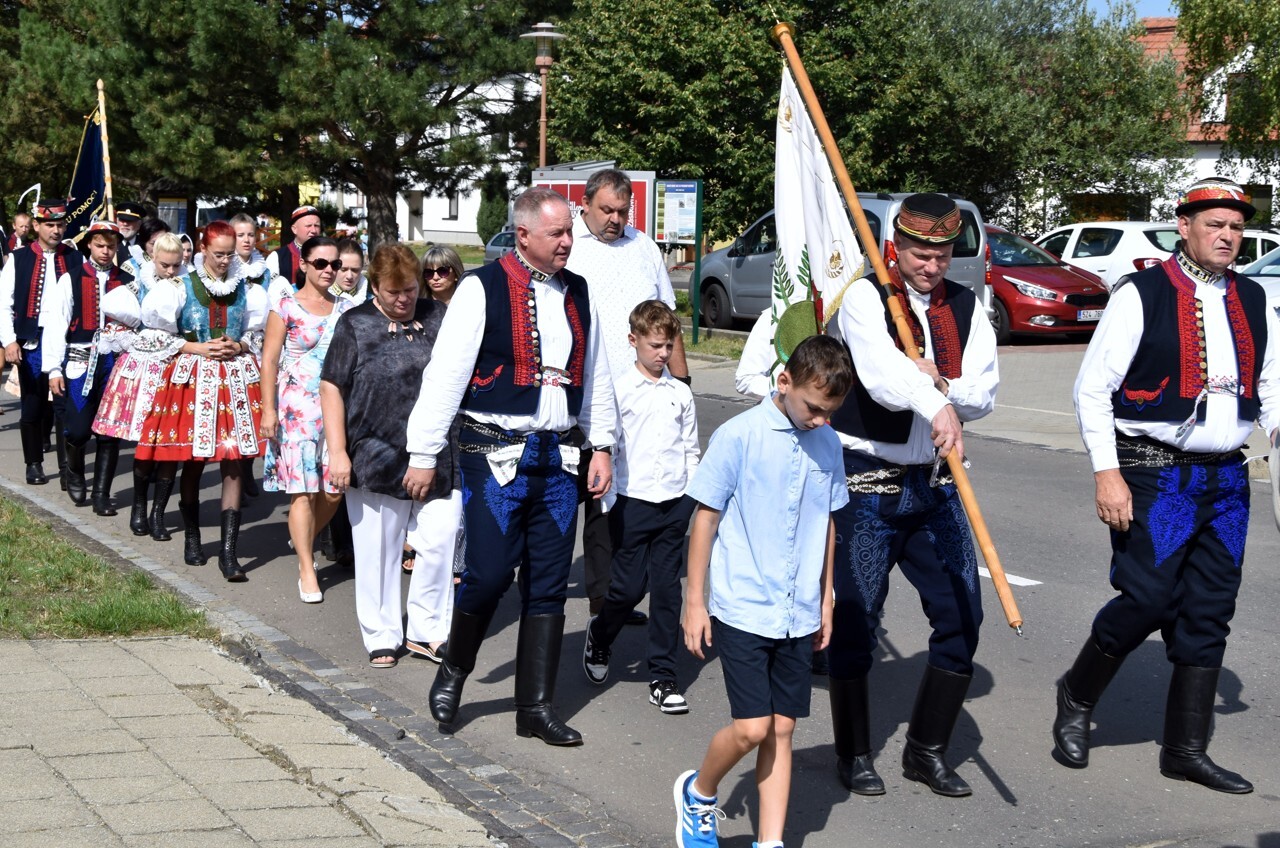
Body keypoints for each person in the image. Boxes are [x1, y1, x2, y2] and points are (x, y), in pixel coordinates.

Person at [1054, 178, 1280, 794]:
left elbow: (1270, 385)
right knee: (1149, 599)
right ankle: (1077, 694)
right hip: (1155, 470)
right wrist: (1107, 473)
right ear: (1184, 227)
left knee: (1210, 608)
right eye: (1215, 225)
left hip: (1227, 477)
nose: (1227, 237)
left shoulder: (1255, 298)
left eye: (1236, 227)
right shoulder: (1142, 293)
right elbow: (1092, 391)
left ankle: (1185, 750)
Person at [404, 186, 616, 746]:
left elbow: (595, 373)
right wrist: (423, 453)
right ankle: (455, 668)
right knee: (490, 573)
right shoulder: (481, 287)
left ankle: (535, 708)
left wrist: (602, 444)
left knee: (548, 584)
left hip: (559, 458)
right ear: (523, 235)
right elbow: (446, 375)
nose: (568, 241)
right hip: (493, 453)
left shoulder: (579, 290)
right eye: (557, 233)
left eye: (569, 232)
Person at [825, 192, 999, 798]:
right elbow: (881, 377)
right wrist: (929, 393)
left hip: (937, 482)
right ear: (895, 247)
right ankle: (853, 752)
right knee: (856, 619)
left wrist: (942, 386)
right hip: (867, 481)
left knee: (964, 614)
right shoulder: (865, 298)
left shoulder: (968, 305)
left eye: (943, 253)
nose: (932, 264)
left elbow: (983, 391)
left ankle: (926, 751)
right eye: (921, 253)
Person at [674, 334, 850, 848]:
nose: (821, 420)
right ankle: (698, 792)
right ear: (785, 381)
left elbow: (827, 522)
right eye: (814, 408)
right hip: (744, 605)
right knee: (752, 728)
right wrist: (694, 601)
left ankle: (769, 842)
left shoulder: (829, 443)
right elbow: (706, 519)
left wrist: (826, 598)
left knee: (782, 730)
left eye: (831, 411)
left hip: (798, 611)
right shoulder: (739, 435)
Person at [321, 244, 459, 666]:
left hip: (437, 452)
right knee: (378, 551)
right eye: (393, 292)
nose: (403, 299)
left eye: (410, 289)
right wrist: (338, 452)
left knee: (440, 542)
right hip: (375, 452)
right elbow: (331, 386)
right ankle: (381, 633)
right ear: (375, 287)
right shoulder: (356, 323)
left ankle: (428, 630)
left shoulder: (437, 315)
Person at [564, 168, 689, 622]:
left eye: (622, 211)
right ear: (585, 204)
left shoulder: (644, 247)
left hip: (641, 394)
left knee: (618, 497)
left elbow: (668, 321)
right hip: (581, 395)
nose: (615, 219)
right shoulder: (569, 247)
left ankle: (610, 599)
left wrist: (682, 384)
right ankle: (559, 591)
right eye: (606, 210)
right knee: (576, 496)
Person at [582, 300, 700, 714]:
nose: (663, 354)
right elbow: (607, 445)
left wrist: (691, 496)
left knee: (667, 591)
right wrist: (611, 499)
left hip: (674, 503)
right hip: (632, 502)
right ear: (633, 341)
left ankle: (663, 677)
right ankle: (600, 636)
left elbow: (690, 448)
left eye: (668, 346)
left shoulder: (680, 393)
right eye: (655, 346)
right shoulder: (618, 389)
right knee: (629, 589)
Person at [134, 220, 268, 582]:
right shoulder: (179, 287)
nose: (225, 260)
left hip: (236, 379)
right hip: (193, 379)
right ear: (203, 250)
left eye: (230, 254)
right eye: (219, 253)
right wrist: (195, 347)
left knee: (234, 461)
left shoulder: (248, 289)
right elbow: (154, 336)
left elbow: (258, 334)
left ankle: (228, 552)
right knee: (193, 461)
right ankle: (192, 537)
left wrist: (239, 344)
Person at [259, 236, 354, 602]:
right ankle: (306, 566)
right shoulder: (285, 306)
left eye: (335, 264)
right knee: (303, 491)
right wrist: (268, 409)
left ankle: (303, 536)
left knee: (333, 491)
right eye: (321, 263)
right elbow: (269, 360)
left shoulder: (347, 308)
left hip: (336, 409)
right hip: (296, 409)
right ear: (303, 265)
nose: (329, 270)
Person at [92, 233, 187, 537]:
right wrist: (142, 341)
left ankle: (158, 513)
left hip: (179, 368)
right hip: (145, 370)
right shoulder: (137, 285)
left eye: (175, 265)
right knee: (146, 443)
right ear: (153, 259)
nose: (170, 271)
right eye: (164, 265)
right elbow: (117, 326)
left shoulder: (189, 286)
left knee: (170, 443)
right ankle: (138, 508)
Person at [40, 221, 134, 513]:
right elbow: (56, 324)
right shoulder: (71, 278)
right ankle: (74, 470)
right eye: (100, 245)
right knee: (78, 430)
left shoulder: (128, 280)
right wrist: (54, 369)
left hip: (115, 363)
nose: (105, 251)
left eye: (111, 246)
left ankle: (102, 495)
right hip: (80, 360)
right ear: (89, 245)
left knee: (110, 432)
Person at [0, 197, 79, 485]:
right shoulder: (19, 259)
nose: (56, 230)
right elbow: (3, 304)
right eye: (50, 225)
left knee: (64, 406)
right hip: (32, 341)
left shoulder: (75, 258)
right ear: (36, 225)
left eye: (60, 225)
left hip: (67, 341)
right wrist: (10, 341)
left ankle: (68, 468)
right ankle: (33, 463)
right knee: (32, 405)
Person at [267, 205, 323, 296]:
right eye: (308, 226)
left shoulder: (329, 255)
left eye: (316, 225)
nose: (313, 230)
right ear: (294, 229)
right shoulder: (276, 257)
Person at [113, 202, 146, 267]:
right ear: (117, 221)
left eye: (130, 220)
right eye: (122, 220)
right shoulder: (111, 244)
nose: (125, 224)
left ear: (139, 224)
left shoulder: (145, 245)